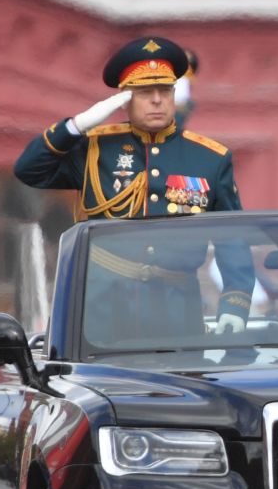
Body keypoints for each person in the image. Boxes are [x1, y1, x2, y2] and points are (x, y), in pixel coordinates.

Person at [14, 37, 253, 338]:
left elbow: (232, 239)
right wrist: (75, 127)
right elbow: (29, 170)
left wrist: (235, 304)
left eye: (165, 90)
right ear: (125, 98)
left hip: (177, 313)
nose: (156, 100)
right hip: (103, 310)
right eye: (144, 92)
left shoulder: (208, 158)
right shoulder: (95, 150)